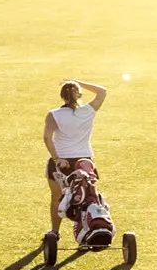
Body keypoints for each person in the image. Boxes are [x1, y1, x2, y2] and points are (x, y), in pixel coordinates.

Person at [42, 80, 111, 236]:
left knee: (57, 197)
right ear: (79, 94)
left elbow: (47, 138)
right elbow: (102, 91)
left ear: (62, 96)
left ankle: (54, 232)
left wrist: (57, 158)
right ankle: (86, 231)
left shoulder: (54, 115)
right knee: (86, 197)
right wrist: (76, 82)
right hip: (85, 163)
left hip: (61, 163)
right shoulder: (88, 110)